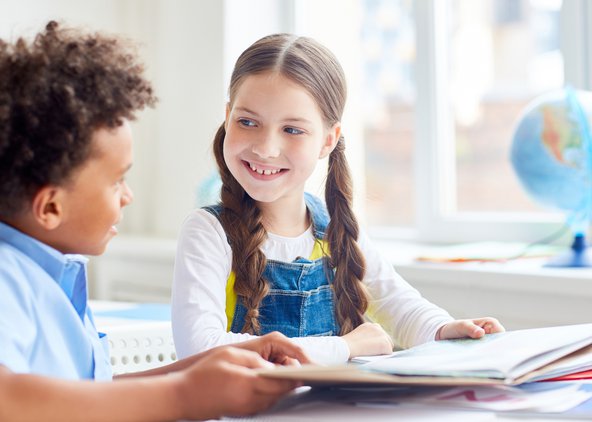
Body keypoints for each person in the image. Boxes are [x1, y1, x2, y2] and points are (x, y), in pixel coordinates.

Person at [0, 22, 309, 422]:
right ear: (50, 207)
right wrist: (182, 395)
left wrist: (206, 368)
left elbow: (84, 397)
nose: (128, 196)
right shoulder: (7, 276)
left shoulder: (52, 276)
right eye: (117, 181)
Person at [171, 33, 505, 365]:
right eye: (247, 122)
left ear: (328, 140)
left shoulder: (336, 227)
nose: (265, 148)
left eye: (292, 130)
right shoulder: (209, 232)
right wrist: (345, 347)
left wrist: (445, 329)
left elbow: (398, 304)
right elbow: (201, 349)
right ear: (228, 117)